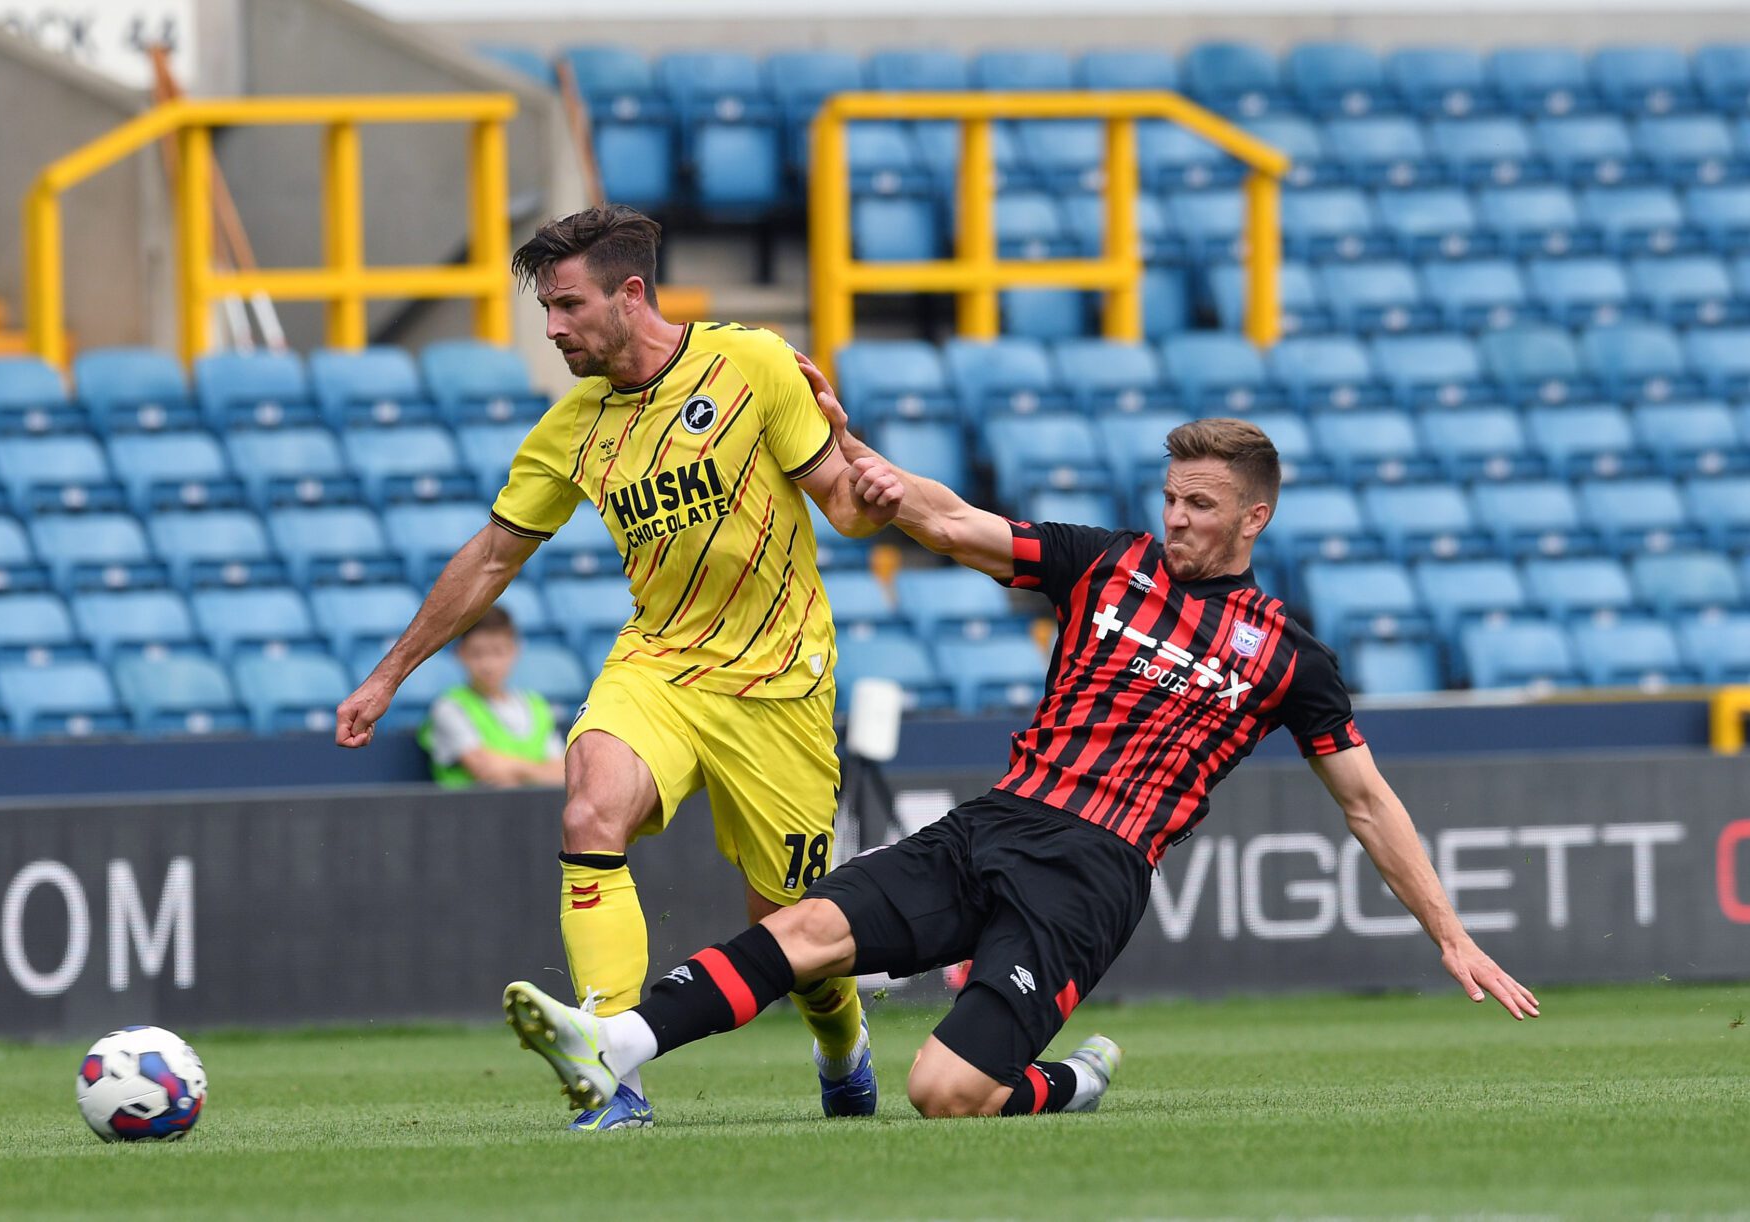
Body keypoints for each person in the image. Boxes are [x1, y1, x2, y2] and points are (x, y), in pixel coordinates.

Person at [503, 395, 1541, 1124]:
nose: (1175, 518)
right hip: (996, 820)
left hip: (1091, 874)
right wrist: (845, 444)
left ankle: (1068, 1083)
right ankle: (616, 1046)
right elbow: (953, 523)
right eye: (1171, 497)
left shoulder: (1287, 657)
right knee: (802, 928)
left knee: (944, 1092)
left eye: (1200, 505)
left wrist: (1449, 934)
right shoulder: (1107, 563)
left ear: (1252, 517)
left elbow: (1366, 803)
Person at [334, 206, 896, 1130]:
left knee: (792, 933)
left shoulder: (751, 365)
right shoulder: (571, 427)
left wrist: (866, 474)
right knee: (590, 805)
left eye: (568, 306)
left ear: (631, 295)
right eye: (546, 311)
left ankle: (841, 1046)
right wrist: (389, 674)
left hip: (778, 685)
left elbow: (845, 508)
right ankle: (612, 1070)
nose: (553, 329)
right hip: (658, 664)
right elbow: (492, 558)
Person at [419, 606, 566, 788]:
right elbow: (486, 770)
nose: (488, 665)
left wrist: (512, 768)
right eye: (477, 653)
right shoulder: (450, 706)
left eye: (498, 652)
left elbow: (563, 773)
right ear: (460, 653)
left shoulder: (537, 705)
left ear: (515, 650)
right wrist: (539, 771)